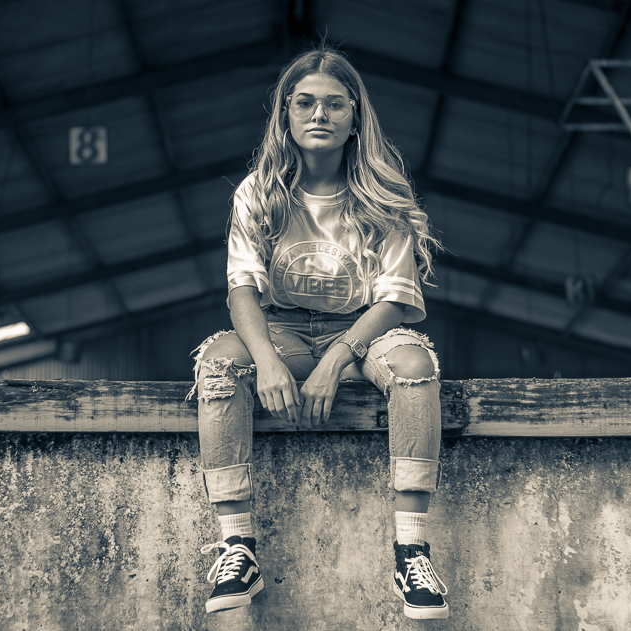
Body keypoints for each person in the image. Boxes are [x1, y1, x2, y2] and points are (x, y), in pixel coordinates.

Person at [188, 45, 448, 620]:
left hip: (362, 336)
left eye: (335, 104)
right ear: (285, 114)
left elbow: (396, 298)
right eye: (304, 103)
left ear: (356, 117)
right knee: (219, 363)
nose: (319, 115)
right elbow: (241, 292)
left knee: (415, 367)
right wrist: (268, 360)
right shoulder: (258, 193)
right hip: (281, 332)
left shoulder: (384, 197)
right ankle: (238, 547)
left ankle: (411, 550)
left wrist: (335, 360)